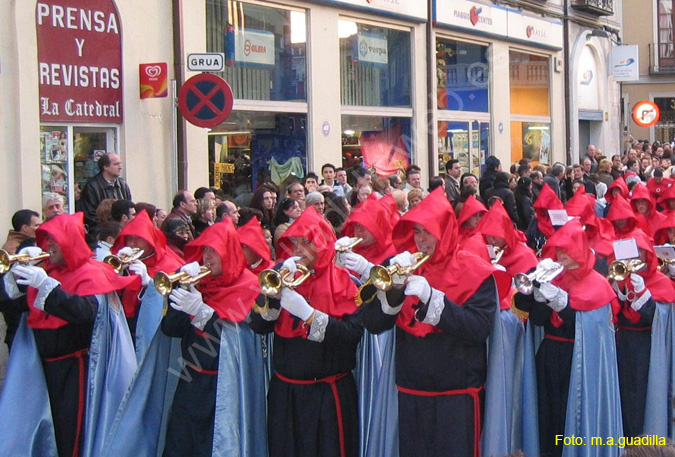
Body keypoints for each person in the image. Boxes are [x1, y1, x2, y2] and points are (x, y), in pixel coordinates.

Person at [359, 188, 509, 457]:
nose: (421, 240)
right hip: (410, 392)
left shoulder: (476, 271)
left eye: (428, 231)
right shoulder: (406, 265)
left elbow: (478, 328)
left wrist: (433, 299)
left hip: (457, 394)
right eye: (416, 231)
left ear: (446, 231)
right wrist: (392, 293)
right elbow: (373, 324)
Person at [0, 213, 139, 456]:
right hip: (40, 370)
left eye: (54, 239)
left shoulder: (92, 272)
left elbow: (85, 314)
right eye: (46, 240)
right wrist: (12, 279)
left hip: (77, 371)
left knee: (70, 435)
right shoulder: (47, 271)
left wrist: (46, 288)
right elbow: (13, 309)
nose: (49, 245)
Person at [249, 207, 364, 457]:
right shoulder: (286, 277)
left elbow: (352, 336)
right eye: (295, 243)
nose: (298, 250)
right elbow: (258, 325)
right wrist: (272, 295)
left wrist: (309, 315)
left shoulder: (346, 283)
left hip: (328, 396)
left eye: (306, 243)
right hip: (286, 394)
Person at [514, 219, 623, 457]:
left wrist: (563, 305)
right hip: (549, 355)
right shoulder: (552, 276)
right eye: (559, 248)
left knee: (569, 414)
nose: (561, 253)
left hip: (579, 360)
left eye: (566, 248)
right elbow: (537, 320)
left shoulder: (598, 284)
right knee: (547, 415)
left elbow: (592, 330)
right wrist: (538, 296)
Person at [160, 220, 267, 457]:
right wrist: (182, 292)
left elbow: (239, 341)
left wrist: (203, 314)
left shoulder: (249, 286)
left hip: (226, 384)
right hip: (190, 378)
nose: (206, 258)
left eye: (213, 251)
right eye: (204, 250)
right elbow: (171, 329)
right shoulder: (200, 284)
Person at [608, 230, 675, 439]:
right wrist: (618, 291)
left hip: (647, 347)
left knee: (644, 397)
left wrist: (645, 295)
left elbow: (661, 321)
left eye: (639, 254)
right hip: (623, 345)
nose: (634, 260)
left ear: (648, 256)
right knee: (623, 396)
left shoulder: (661, 282)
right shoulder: (621, 278)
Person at [340, 194, 397, 269]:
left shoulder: (393, 256)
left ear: (378, 229)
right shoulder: (353, 248)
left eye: (365, 226)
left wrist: (365, 270)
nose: (359, 230)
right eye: (357, 224)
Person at [80, 153, 133, 228]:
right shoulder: (92, 187)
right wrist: (107, 231)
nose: (120, 167)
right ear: (105, 167)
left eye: (120, 164)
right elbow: (90, 217)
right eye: (116, 164)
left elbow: (130, 208)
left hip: (122, 231)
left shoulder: (123, 185)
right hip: (103, 233)